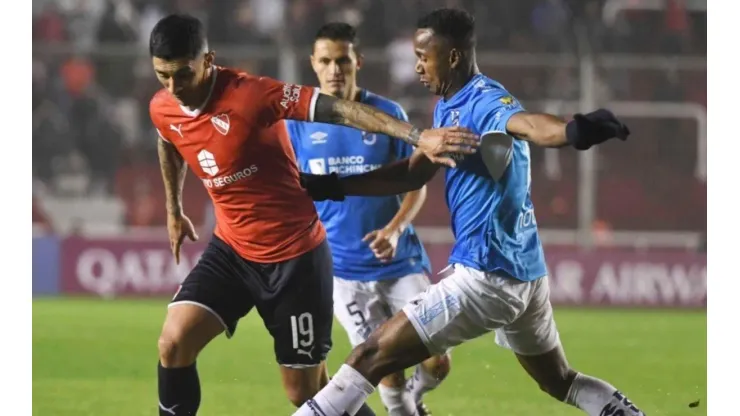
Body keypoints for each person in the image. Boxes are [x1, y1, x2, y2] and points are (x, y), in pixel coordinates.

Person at [293, 8, 643, 416]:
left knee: (369, 357)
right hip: (526, 275)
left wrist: (572, 131)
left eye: (425, 56)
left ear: (454, 56)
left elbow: (528, 125)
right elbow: (412, 173)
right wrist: (336, 186)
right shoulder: (449, 104)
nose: (418, 67)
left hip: (486, 275)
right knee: (559, 380)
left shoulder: (484, 101)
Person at [147, 14, 479, 416]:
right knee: (173, 343)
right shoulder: (163, 106)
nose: (173, 87)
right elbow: (168, 137)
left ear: (208, 60)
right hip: (231, 251)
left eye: (183, 74)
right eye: (163, 76)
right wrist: (173, 208)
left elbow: (340, 111)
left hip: (296, 260)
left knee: (305, 392)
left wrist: (417, 137)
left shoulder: (252, 94)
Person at [285, 23, 450, 416]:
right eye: (325, 61)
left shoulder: (386, 115)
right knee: (386, 368)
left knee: (437, 362)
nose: (334, 69)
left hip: (399, 263)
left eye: (342, 60)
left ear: (357, 61)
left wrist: (394, 230)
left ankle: (416, 398)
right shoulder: (296, 126)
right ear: (313, 64)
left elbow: (417, 182)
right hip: (343, 273)